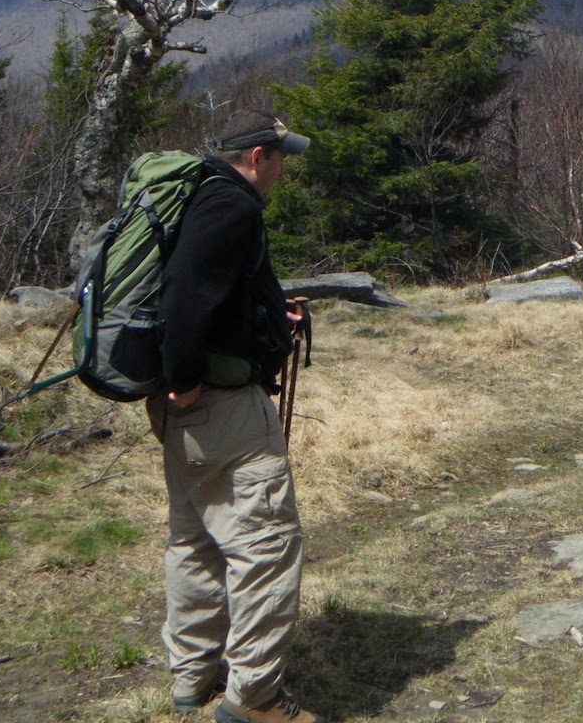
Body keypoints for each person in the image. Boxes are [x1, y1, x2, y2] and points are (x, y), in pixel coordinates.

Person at [146, 118, 325, 723]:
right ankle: (255, 701)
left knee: (194, 537)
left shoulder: (195, 195)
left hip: (187, 414)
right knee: (266, 543)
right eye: (280, 159)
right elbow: (187, 296)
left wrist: (274, 313)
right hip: (219, 405)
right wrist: (186, 380)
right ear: (256, 155)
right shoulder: (232, 206)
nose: (283, 169)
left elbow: (211, 291)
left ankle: (194, 677)